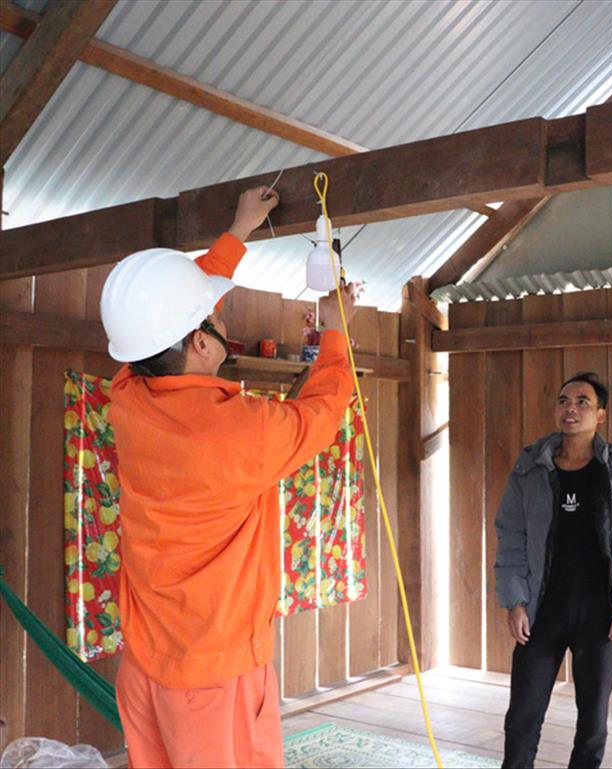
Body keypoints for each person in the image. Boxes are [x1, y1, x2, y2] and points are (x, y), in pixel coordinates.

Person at [99, 186, 360, 768]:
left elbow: (165, 314)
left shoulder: (128, 396)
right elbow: (324, 410)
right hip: (212, 679)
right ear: (200, 342)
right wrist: (337, 328)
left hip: (144, 668)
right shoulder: (241, 431)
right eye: (216, 319)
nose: (222, 318)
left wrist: (239, 230)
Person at [495, 372, 612, 769]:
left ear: (600, 415)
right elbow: (511, 537)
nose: (571, 408)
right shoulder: (530, 469)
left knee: (592, 722)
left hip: (599, 616)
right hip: (541, 612)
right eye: (564, 400)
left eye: (583, 402)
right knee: (522, 717)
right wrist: (515, 601)